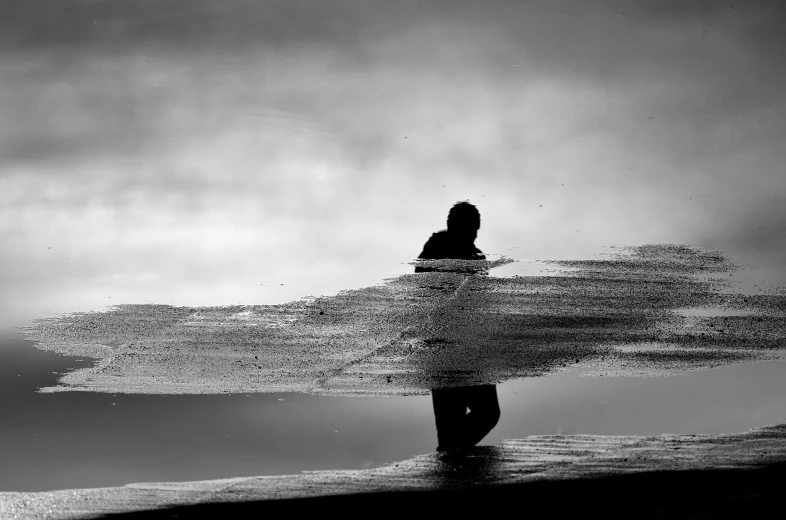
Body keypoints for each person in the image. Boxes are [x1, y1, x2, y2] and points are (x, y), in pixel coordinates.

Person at [415, 201, 501, 451]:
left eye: (476, 230)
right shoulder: (435, 256)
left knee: (483, 414)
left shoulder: (474, 257)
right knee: (463, 421)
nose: (474, 235)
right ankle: (452, 459)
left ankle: (453, 456)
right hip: (445, 353)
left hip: (467, 352)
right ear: (455, 227)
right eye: (471, 229)